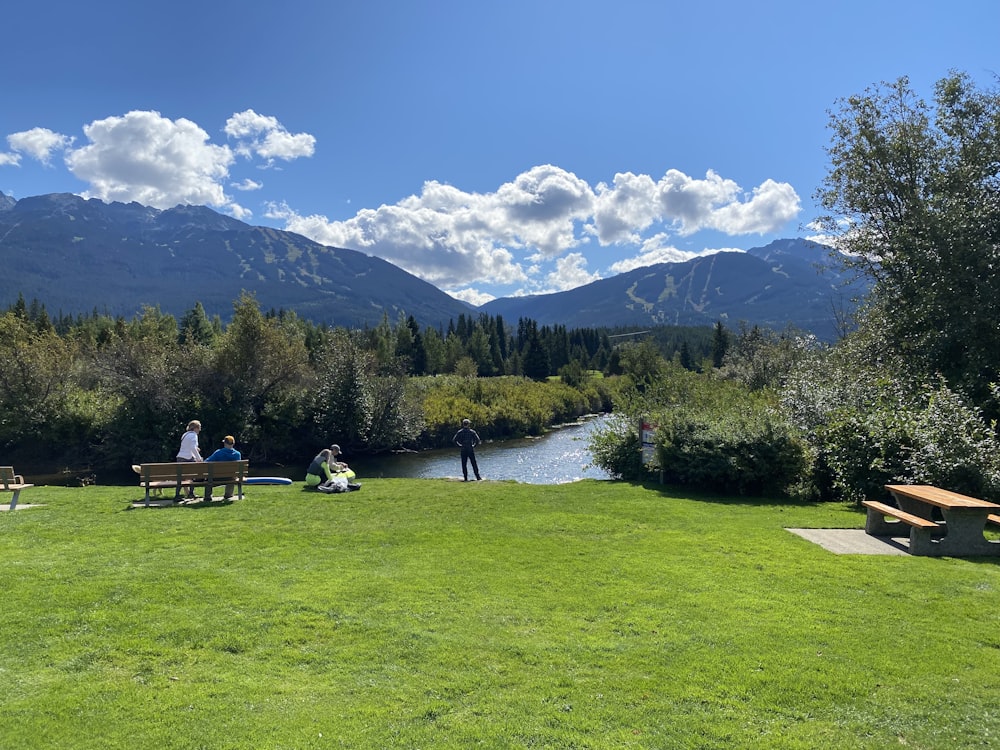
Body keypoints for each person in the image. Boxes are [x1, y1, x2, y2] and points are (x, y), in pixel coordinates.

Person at [202, 435, 242, 501]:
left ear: (225, 443)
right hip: (230, 477)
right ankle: (228, 494)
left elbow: (206, 462)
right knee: (233, 476)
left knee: (208, 479)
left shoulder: (218, 453)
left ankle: (207, 496)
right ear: (233, 443)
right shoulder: (237, 454)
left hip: (216, 477)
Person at [174, 420, 203, 500]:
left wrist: (196, 448)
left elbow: (187, 446)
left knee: (181, 477)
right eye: (199, 428)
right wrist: (199, 459)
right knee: (193, 476)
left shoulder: (185, 435)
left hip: (180, 457)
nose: (200, 430)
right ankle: (191, 493)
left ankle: (177, 495)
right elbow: (192, 448)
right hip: (189, 458)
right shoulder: (194, 435)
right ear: (195, 428)